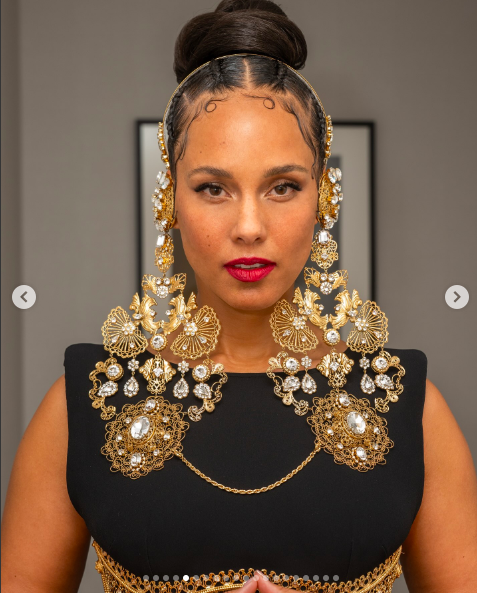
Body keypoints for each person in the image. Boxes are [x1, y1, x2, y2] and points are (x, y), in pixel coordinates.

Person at [2, 1, 477, 591]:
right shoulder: (85, 404)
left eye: (282, 186)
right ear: (170, 199)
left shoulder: (409, 408)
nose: (249, 225)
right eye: (213, 188)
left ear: (324, 198)